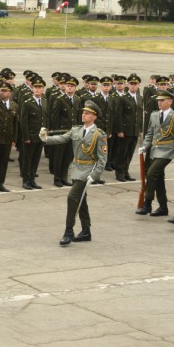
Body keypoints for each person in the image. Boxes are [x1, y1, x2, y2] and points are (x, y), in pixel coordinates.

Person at [41, 101, 108, 245]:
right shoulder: (76, 130)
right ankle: (86, 231)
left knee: (72, 197)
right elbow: (62, 138)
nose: (84, 115)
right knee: (81, 200)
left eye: (88, 113)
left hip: (88, 171)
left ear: (94, 117)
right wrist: (46, 139)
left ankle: (68, 231)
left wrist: (95, 175)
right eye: (83, 112)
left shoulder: (99, 135)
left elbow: (102, 159)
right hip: (76, 169)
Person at [136, 90, 174, 217]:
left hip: (168, 150)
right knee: (158, 178)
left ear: (170, 101)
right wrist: (144, 146)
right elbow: (150, 133)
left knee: (151, 173)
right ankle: (163, 207)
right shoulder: (154, 115)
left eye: (162, 100)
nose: (159, 103)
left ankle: (147, 203)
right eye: (158, 100)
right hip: (154, 150)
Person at [112, 74, 143, 182]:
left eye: (135, 84)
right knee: (122, 153)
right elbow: (118, 115)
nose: (133, 86)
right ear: (128, 85)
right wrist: (119, 130)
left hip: (134, 131)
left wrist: (140, 130)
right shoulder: (123, 98)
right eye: (131, 84)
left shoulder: (140, 98)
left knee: (129, 153)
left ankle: (126, 172)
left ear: (139, 85)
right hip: (125, 131)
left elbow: (139, 115)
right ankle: (119, 173)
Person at [19, 77, 48, 190]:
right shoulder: (27, 102)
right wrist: (26, 137)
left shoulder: (45, 102)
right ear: (32, 88)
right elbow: (24, 121)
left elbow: (46, 119)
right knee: (28, 159)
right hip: (30, 136)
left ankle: (32, 179)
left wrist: (46, 135)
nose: (37, 89)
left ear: (42, 89)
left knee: (36, 159)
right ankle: (26, 180)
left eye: (40, 87)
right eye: (35, 87)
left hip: (40, 136)